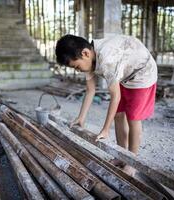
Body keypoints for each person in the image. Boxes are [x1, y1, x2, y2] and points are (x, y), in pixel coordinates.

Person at [55, 34, 157, 176]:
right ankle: (122, 156)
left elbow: (115, 96)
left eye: (77, 67)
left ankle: (133, 161)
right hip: (126, 75)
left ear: (85, 53)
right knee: (118, 114)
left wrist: (105, 129)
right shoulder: (89, 57)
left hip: (142, 73)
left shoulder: (107, 59)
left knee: (133, 118)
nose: (78, 70)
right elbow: (90, 90)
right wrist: (81, 117)